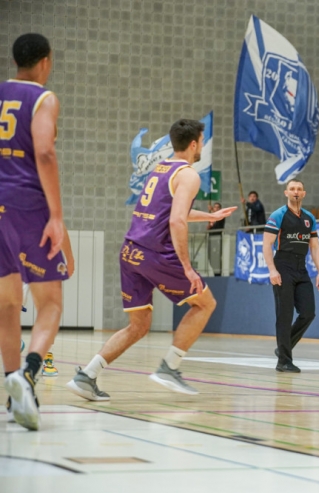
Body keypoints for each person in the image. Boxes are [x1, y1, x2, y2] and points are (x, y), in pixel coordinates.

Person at [66, 119, 235, 402]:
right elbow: (176, 221)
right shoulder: (189, 175)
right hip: (156, 254)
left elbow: (168, 212)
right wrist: (187, 267)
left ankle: (87, 376)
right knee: (206, 303)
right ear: (194, 144)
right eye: (202, 142)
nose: (202, 147)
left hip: (130, 251)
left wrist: (209, 216)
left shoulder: (160, 168)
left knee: (139, 325)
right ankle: (169, 367)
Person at [0, 34, 73, 430]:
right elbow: (44, 151)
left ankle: (13, 390)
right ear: (45, 62)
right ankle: (28, 373)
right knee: (51, 301)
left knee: (7, 303)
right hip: (27, 204)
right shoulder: (43, 98)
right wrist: (56, 215)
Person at [263, 180, 319, 373]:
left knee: (308, 313)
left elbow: (314, 247)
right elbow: (266, 244)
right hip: (283, 265)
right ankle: (283, 361)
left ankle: (283, 347)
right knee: (285, 315)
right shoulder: (278, 215)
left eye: (299, 189)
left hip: (301, 267)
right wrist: (272, 270)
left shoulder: (309, 218)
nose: (295, 192)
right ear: (286, 193)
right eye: (292, 189)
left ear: (304, 193)